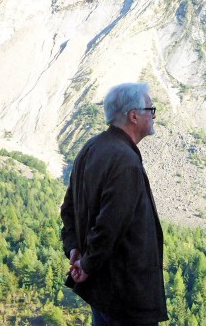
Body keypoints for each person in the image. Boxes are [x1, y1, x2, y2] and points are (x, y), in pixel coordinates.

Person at [60, 82, 168, 326]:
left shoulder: (91, 147)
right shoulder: (125, 161)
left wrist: (74, 248)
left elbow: (68, 208)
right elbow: (110, 226)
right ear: (133, 116)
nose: (153, 115)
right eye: (150, 109)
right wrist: (85, 264)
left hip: (102, 294)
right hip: (126, 295)